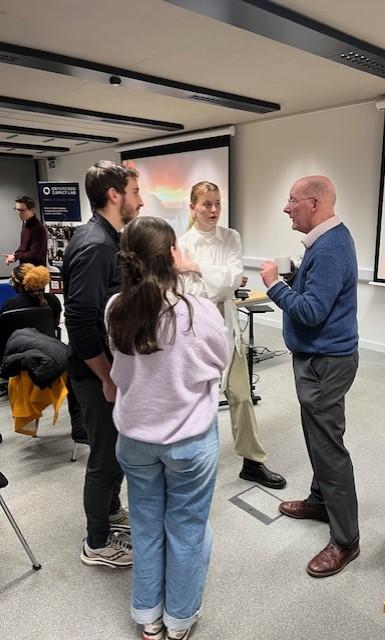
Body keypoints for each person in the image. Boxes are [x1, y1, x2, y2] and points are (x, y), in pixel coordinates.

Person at [107, 216, 228, 640]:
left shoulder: (115, 309)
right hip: (188, 440)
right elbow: (219, 361)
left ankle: (148, 617)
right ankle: (179, 622)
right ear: (172, 256)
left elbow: (123, 366)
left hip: (136, 438)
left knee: (145, 524)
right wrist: (192, 277)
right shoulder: (198, 311)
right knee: (187, 527)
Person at [260, 175, 360, 578]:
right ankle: (320, 501)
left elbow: (311, 312)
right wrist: (295, 278)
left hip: (325, 363)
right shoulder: (326, 243)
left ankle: (346, 540)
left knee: (329, 450)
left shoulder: (331, 246)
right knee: (319, 439)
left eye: (292, 201)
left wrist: (272, 285)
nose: (287, 208)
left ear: (314, 204)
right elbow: (318, 298)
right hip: (320, 360)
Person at [179, 181, 286, 489]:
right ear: (193, 207)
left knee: (241, 395)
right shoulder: (183, 242)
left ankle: (252, 462)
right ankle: (195, 462)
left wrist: (198, 268)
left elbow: (231, 283)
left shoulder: (230, 237)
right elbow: (193, 291)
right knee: (199, 402)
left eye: (217, 204)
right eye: (206, 204)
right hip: (196, 333)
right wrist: (220, 278)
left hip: (226, 329)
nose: (213, 210)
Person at [63, 160, 143, 567]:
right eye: (134, 192)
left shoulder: (108, 238)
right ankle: (96, 542)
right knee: (105, 457)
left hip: (107, 370)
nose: (140, 201)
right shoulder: (96, 245)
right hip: (95, 373)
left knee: (116, 452)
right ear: (114, 195)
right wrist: (106, 377)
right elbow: (78, 320)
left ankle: (110, 512)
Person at [1, 263, 87, 443]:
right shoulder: (53, 302)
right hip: (52, 359)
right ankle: (80, 429)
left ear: (17, 285)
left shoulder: (9, 305)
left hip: (19, 361)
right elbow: (54, 327)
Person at [3, 195, 47, 266]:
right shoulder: (25, 223)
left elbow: (34, 254)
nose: (19, 213)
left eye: (22, 210)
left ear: (32, 210)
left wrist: (16, 256)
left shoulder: (38, 229)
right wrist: (15, 255)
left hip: (35, 271)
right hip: (25, 268)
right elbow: (23, 247)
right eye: (17, 210)